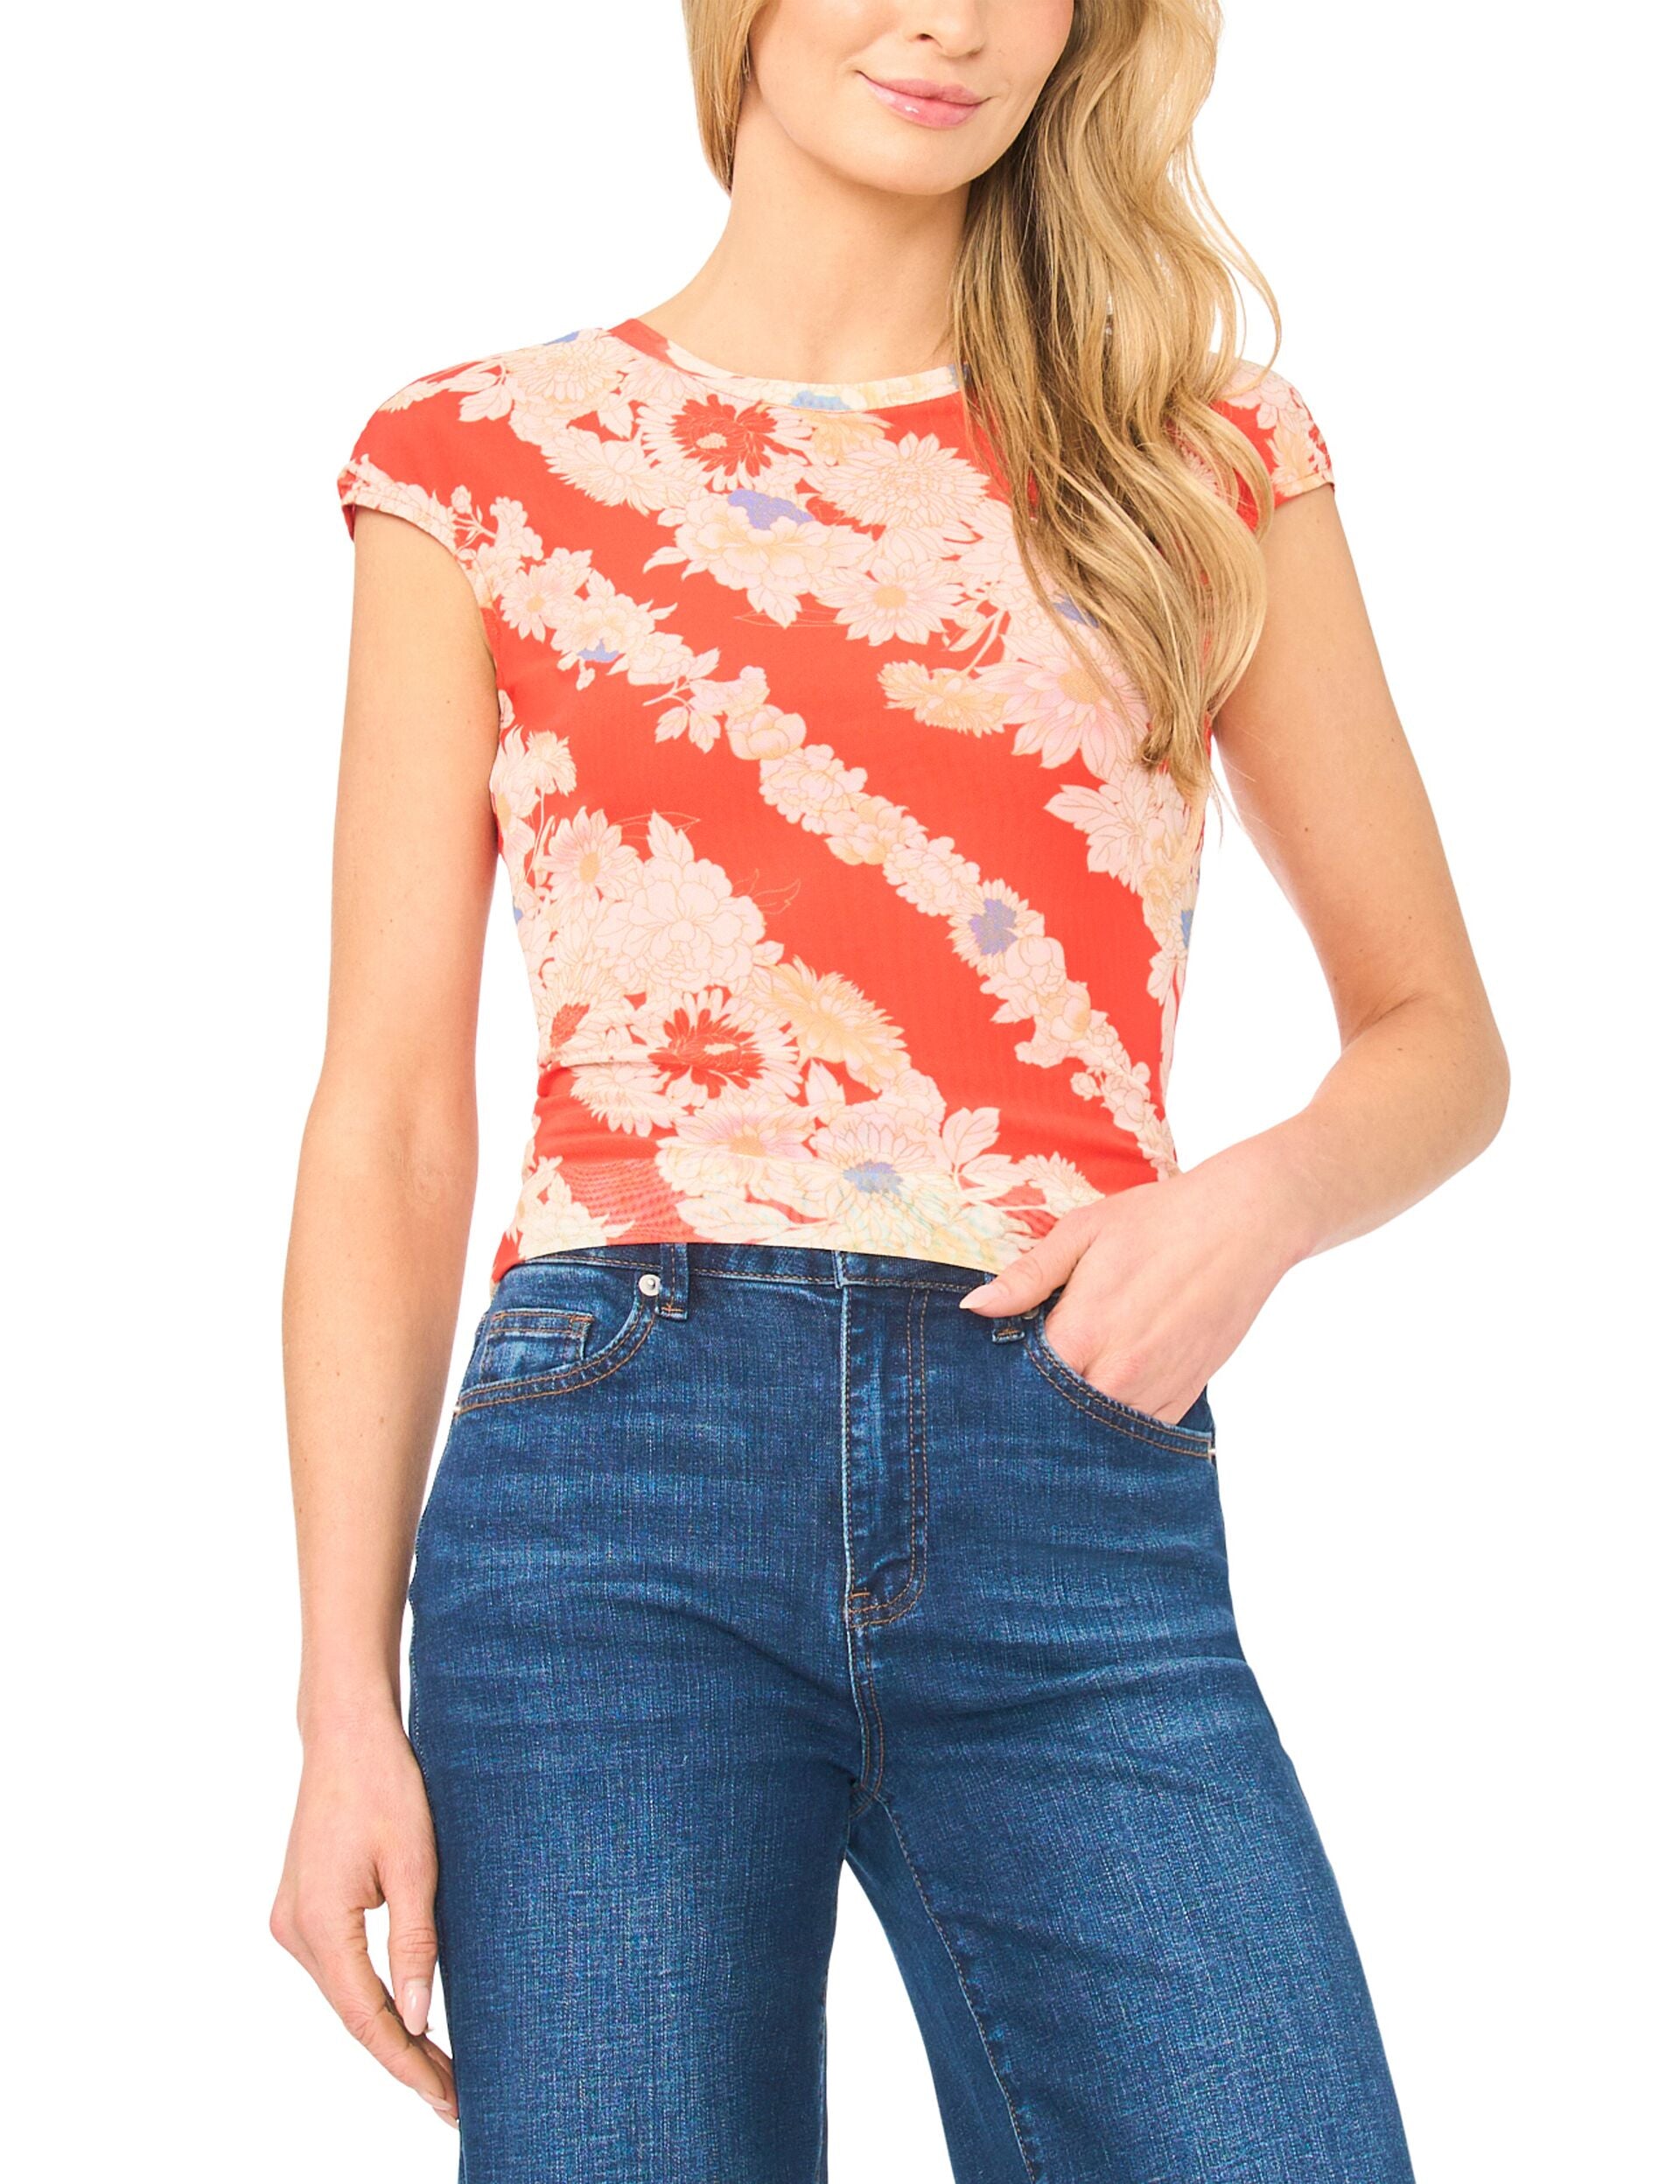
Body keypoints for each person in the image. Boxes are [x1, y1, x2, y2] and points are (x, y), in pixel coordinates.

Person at [270, 3, 1508, 2176]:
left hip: (1070, 1462)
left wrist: (1256, 1204)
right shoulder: (482, 457)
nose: (953, 18)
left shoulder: (1197, 455)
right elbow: (388, 1122)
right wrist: (341, 1707)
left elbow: (1439, 1036)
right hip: (612, 1490)